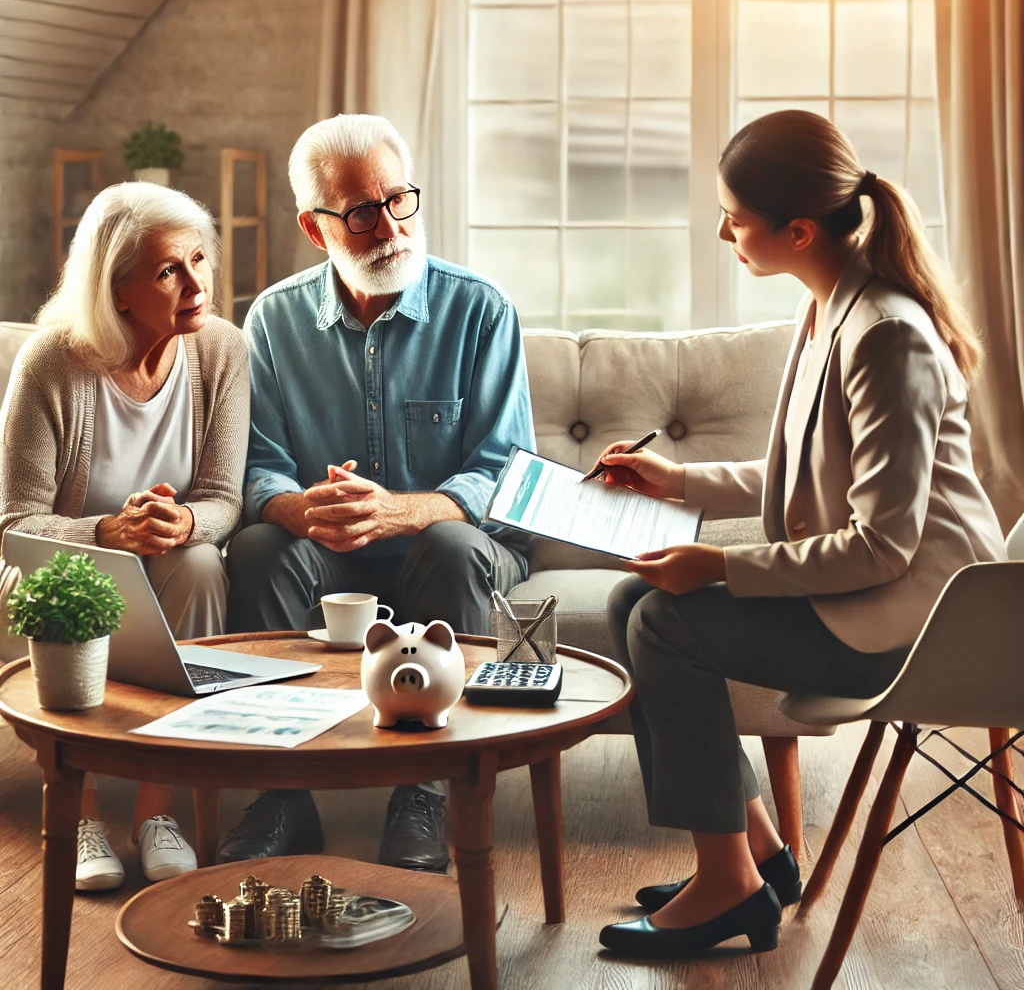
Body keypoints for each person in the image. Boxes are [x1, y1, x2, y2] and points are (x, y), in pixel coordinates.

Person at [592, 110, 1006, 959]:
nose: (723, 234)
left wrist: (721, 563)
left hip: (923, 629)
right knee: (632, 599)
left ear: (800, 230)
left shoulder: (886, 336)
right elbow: (809, 475)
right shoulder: (827, 309)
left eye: (734, 219)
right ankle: (759, 857)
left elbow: (881, 546)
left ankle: (727, 887)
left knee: (663, 624)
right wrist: (676, 480)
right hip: (877, 598)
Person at [218, 113, 534, 872]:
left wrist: (403, 510)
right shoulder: (272, 320)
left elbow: (505, 469)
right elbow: (259, 467)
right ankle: (283, 793)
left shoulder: (481, 308)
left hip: (457, 548)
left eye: (399, 199)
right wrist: (299, 509)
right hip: (334, 556)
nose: (390, 226)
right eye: (361, 212)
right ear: (314, 227)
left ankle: (424, 792)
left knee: (451, 545)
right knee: (259, 548)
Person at [0, 182, 249, 891]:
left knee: (201, 564)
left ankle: (154, 809)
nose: (196, 284)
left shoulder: (223, 350)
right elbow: (14, 525)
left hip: (165, 564)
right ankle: (79, 812)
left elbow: (224, 498)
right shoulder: (51, 363)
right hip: (58, 564)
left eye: (199, 259)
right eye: (169, 270)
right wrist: (108, 531)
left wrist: (185, 522)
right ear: (118, 291)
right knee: (64, 580)